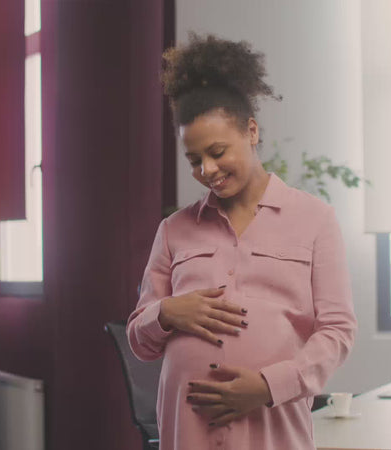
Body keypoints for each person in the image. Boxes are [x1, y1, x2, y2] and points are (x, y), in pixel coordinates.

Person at [127, 33, 357, 450]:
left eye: (218, 151)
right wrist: (167, 312)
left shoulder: (315, 220)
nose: (207, 170)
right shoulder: (173, 230)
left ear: (251, 131)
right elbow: (139, 339)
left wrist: (270, 386)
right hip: (187, 430)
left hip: (272, 426)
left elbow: (337, 330)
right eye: (194, 160)